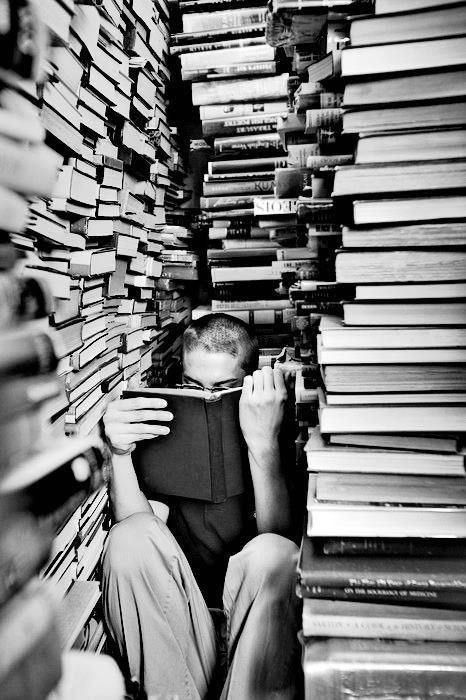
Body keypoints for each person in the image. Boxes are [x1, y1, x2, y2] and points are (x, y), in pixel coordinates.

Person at [101, 314, 301, 700]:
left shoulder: (284, 418)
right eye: (193, 386)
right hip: (182, 625)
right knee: (127, 539)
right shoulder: (167, 416)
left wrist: (264, 445)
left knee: (276, 553)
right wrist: (120, 454)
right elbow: (140, 538)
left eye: (224, 388)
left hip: (255, 628)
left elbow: (281, 551)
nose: (207, 398)